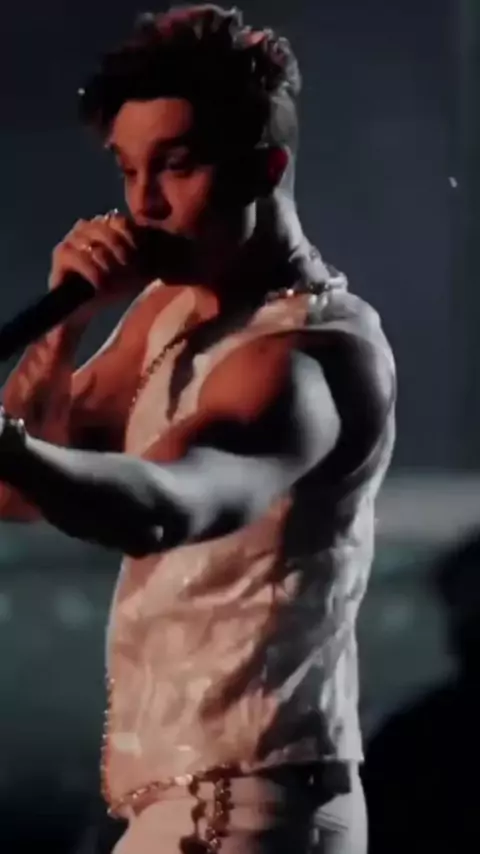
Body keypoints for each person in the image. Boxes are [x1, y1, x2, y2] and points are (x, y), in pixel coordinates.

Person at [0, 6, 396, 853]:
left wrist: (9, 447)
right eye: (128, 169)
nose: (143, 204)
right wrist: (62, 329)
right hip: (190, 808)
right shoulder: (166, 314)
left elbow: (165, 504)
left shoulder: (302, 355)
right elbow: (16, 492)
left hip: (247, 809)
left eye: (176, 167)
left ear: (266, 168)